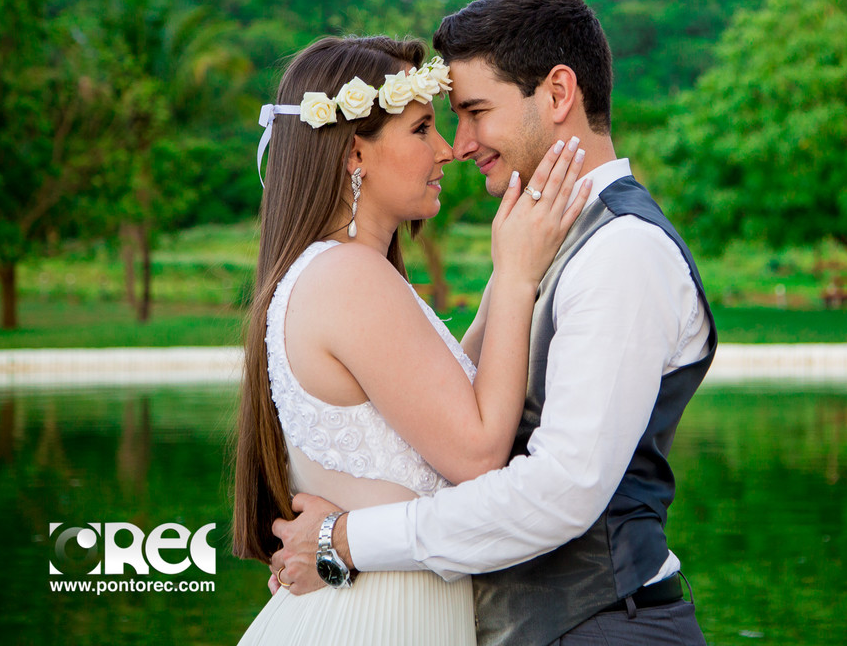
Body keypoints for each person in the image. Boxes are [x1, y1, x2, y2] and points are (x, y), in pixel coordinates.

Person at [270, 0, 718, 646]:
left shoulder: (622, 250)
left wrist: (347, 537)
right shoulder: (539, 246)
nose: (461, 143)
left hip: (602, 629)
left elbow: (563, 488)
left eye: (476, 112)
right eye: (441, 122)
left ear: (559, 95)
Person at [233, 34, 591, 645]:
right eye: (423, 129)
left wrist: (515, 270)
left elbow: (454, 386)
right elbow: (478, 454)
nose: (449, 150)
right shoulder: (349, 277)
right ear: (355, 155)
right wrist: (518, 275)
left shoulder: (339, 270)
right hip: (375, 619)